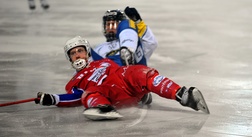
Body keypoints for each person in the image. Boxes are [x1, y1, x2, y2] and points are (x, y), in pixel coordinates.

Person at [35, 36, 210, 120]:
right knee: (88, 94)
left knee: (140, 72)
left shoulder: (102, 62)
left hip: (124, 81)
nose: (77, 55)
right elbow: (74, 97)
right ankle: (102, 108)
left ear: (87, 52)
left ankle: (182, 95)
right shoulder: (75, 81)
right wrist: (54, 99)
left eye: (80, 50)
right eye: (73, 53)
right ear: (69, 58)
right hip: (111, 97)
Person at [90, 7, 158, 105]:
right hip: (112, 80)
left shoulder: (134, 40)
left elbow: (151, 44)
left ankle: (138, 83)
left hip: (134, 72)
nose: (111, 28)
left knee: (130, 35)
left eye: (114, 24)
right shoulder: (99, 49)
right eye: (108, 25)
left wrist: (138, 23)